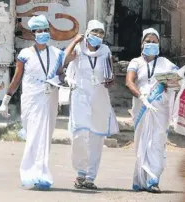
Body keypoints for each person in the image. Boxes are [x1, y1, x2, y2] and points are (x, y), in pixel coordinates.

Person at [0, 15, 72, 190]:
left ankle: (41, 174)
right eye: (39, 31)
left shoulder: (56, 53)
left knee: (44, 137)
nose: (43, 33)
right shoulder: (25, 54)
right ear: (33, 33)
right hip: (31, 99)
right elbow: (16, 79)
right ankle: (28, 173)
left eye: (46, 30)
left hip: (50, 98)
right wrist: (5, 100)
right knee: (33, 137)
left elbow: (60, 74)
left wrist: (66, 80)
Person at [125, 28, 183, 193]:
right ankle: (140, 178)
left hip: (160, 108)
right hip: (142, 106)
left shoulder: (166, 63)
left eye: (154, 41)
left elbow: (178, 83)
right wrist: (142, 97)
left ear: (159, 44)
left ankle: (153, 179)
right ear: (142, 43)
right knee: (141, 143)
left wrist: (171, 83)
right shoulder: (135, 62)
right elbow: (129, 82)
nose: (151, 44)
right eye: (148, 41)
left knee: (157, 141)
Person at [63, 19, 119, 189]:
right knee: (80, 135)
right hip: (81, 96)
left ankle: (90, 177)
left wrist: (111, 81)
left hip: (99, 97)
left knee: (96, 138)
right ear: (87, 32)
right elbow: (64, 60)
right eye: (94, 32)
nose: (98, 36)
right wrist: (74, 41)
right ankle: (80, 172)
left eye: (101, 33)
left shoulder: (105, 51)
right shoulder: (79, 49)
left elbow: (110, 75)